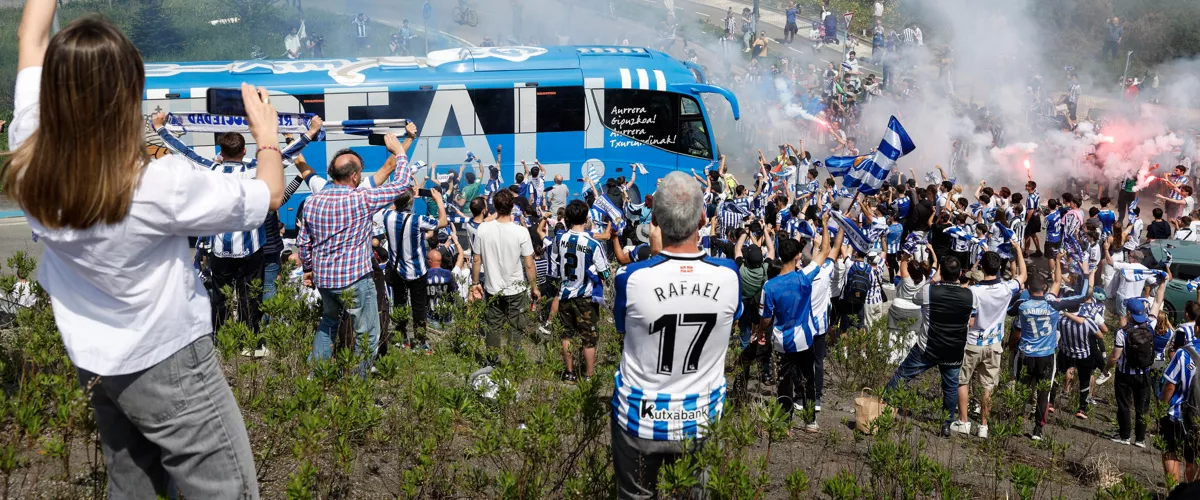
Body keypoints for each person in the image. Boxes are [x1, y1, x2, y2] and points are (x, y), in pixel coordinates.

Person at [5, 2, 287, 495]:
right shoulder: (156, 186)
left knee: (133, 487)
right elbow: (269, 194)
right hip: (169, 360)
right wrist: (267, 138)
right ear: (126, 96)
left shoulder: (30, 154)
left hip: (94, 362)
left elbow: (30, 36)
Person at [610, 171, 742, 498]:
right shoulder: (728, 276)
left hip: (640, 418)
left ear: (653, 219)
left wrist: (656, 258)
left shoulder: (631, 277)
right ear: (702, 217)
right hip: (701, 417)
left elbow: (624, 327)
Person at [151, 114, 317, 353]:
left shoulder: (211, 169)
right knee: (251, 298)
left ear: (221, 151)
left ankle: (219, 341)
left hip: (221, 249)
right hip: (252, 249)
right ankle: (251, 344)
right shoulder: (256, 170)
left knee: (220, 298)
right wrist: (310, 132)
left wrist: (160, 128)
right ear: (243, 151)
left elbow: (183, 151)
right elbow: (287, 155)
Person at [299, 127, 417, 367]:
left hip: (324, 279)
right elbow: (402, 182)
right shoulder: (361, 198)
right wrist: (399, 152)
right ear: (354, 177)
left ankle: (316, 375)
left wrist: (308, 269)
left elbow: (303, 241)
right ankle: (357, 382)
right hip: (355, 279)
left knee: (328, 325)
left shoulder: (312, 201)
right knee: (367, 333)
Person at [761, 221, 841, 432]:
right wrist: (824, 225)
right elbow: (825, 250)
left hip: (781, 340)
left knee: (784, 381)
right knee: (808, 379)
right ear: (797, 257)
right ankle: (810, 420)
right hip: (804, 338)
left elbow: (766, 318)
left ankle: (785, 422)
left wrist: (760, 331)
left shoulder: (769, 286)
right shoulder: (804, 278)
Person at [885, 257, 978, 437]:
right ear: (960, 274)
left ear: (941, 271)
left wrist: (933, 279)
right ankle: (946, 424)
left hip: (928, 346)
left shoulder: (929, 290)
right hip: (954, 349)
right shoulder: (971, 295)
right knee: (950, 387)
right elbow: (971, 319)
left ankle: (884, 404)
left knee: (903, 374)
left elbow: (914, 297)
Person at [1013, 256, 1092, 440]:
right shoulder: (1054, 305)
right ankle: (1038, 430)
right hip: (1046, 356)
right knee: (1043, 393)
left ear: (1029, 289)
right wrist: (1085, 274)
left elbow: (1009, 307)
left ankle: (1015, 422)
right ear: (1046, 289)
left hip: (1026, 354)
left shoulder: (1022, 305)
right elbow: (1083, 296)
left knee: (1022, 388)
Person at [951, 249, 1026, 439]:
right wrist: (1017, 249)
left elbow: (969, 320)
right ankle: (983, 425)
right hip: (994, 343)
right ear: (1000, 268)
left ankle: (964, 421)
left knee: (963, 380)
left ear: (982, 268)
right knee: (988, 385)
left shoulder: (973, 291)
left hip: (973, 341)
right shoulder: (1006, 288)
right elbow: (1022, 275)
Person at [471, 189, 539, 361]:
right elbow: (529, 264)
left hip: (492, 287)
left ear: (494, 206)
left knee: (493, 327)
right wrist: (534, 287)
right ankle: (514, 362)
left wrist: (475, 282)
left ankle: (492, 362)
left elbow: (476, 260)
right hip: (515, 288)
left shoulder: (483, 229)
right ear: (512, 206)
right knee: (516, 327)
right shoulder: (521, 232)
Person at [383, 186, 447, 354]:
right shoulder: (417, 220)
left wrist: (406, 197)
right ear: (410, 203)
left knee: (399, 304)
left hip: (396, 269)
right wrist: (439, 201)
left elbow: (393, 207)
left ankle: (401, 338)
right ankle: (420, 342)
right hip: (416, 270)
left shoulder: (387, 216)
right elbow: (443, 222)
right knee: (419, 307)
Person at [550, 200, 609, 382]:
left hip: (565, 294)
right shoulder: (592, 244)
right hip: (585, 297)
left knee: (567, 334)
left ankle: (569, 372)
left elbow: (553, 268)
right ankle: (589, 375)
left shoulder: (559, 239)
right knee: (589, 338)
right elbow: (605, 273)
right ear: (586, 219)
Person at [1107, 281, 1169, 447]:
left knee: (1124, 405)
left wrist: (1106, 369)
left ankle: (1125, 436)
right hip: (1144, 373)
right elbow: (1157, 301)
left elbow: (1115, 356)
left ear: (1129, 313)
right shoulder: (1150, 325)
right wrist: (1162, 284)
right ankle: (1140, 439)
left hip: (1124, 374)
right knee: (1142, 407)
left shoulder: (1122, 332)